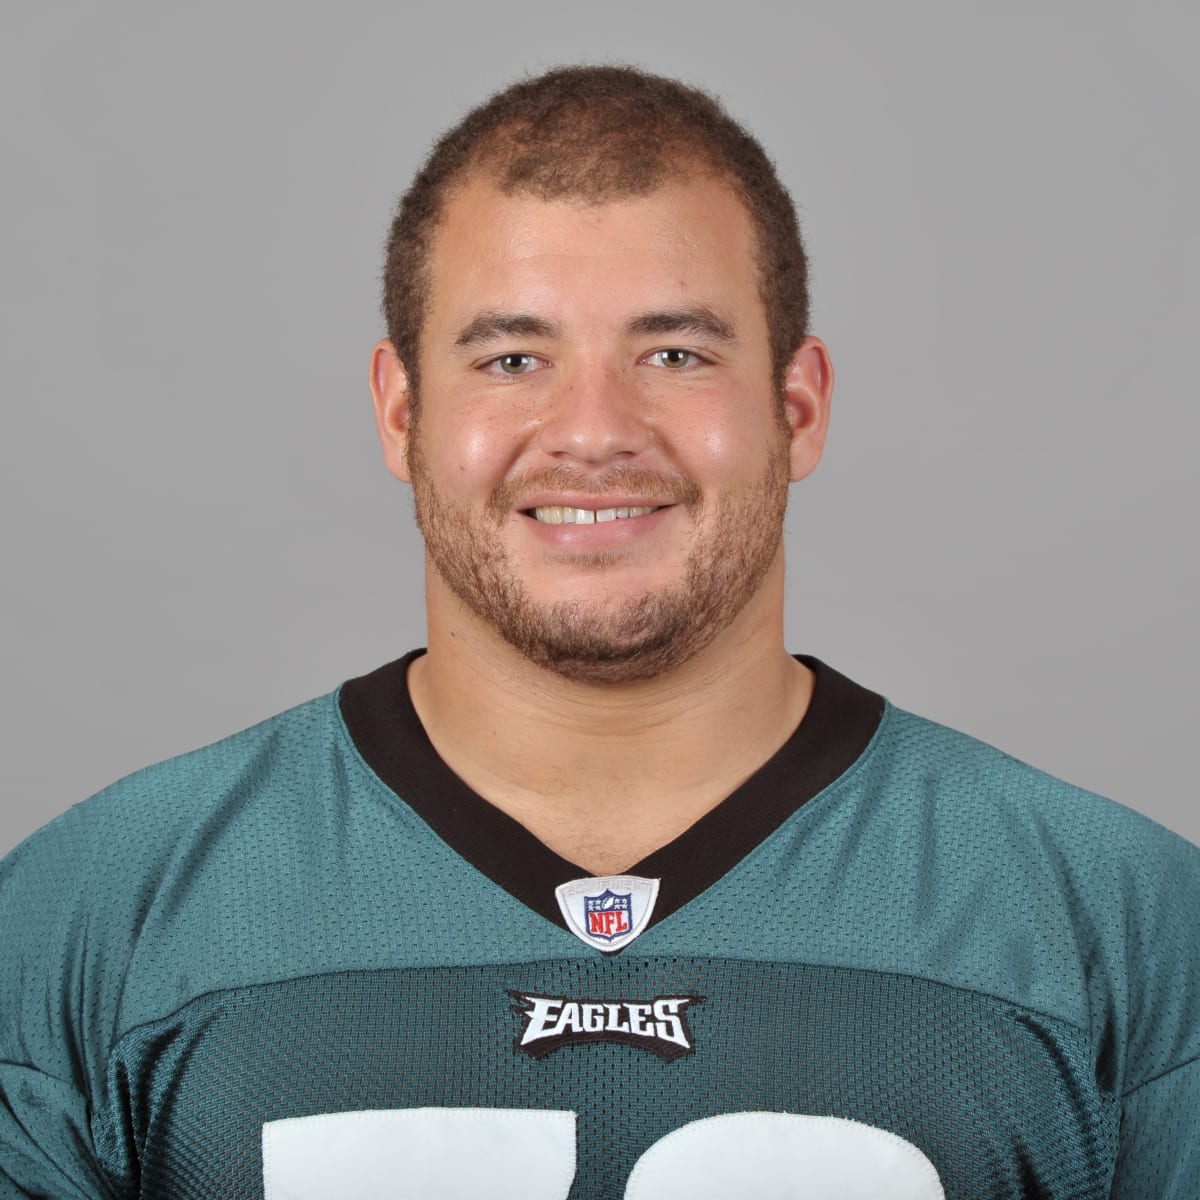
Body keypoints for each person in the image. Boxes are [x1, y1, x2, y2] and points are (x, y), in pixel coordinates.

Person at [1, 64, 1197, 1200]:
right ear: (402, 414)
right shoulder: (92, 914)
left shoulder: (1120, 923)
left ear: (797, 409)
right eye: (513, 358)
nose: (592, 431)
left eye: (674, 353)